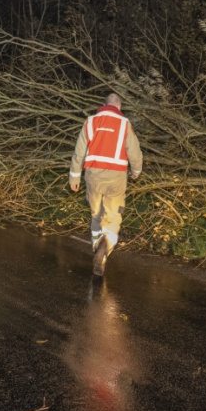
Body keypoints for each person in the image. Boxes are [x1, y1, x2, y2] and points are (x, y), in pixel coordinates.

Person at [69, 93, 143, 276]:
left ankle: (96, 246)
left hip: (93, 176)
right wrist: (136, 171)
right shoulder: (124, 123)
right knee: (112, 216)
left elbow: (79, 152)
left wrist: (74, 178)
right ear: (119, 107)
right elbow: (134, 152)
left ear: (103, 105)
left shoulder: (90, 121)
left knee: (96, 214)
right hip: (116, 178)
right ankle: (104, 248)